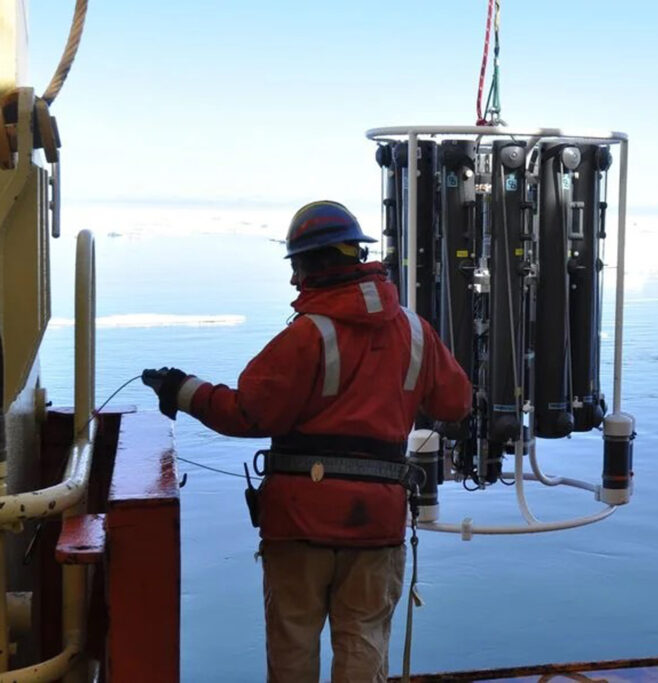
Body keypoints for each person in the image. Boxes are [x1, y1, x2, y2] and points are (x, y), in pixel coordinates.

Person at [142, 200, 471, 683]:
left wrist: (181, 391)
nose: (294, 281)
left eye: (296, 267)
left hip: (298, 523)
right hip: (376, 525)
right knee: (364, 646)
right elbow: (456, 402)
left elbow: (249, 412)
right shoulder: (415, 333)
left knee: (293, 649)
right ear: (356, 258)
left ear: (310, 266)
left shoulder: (307, 336)